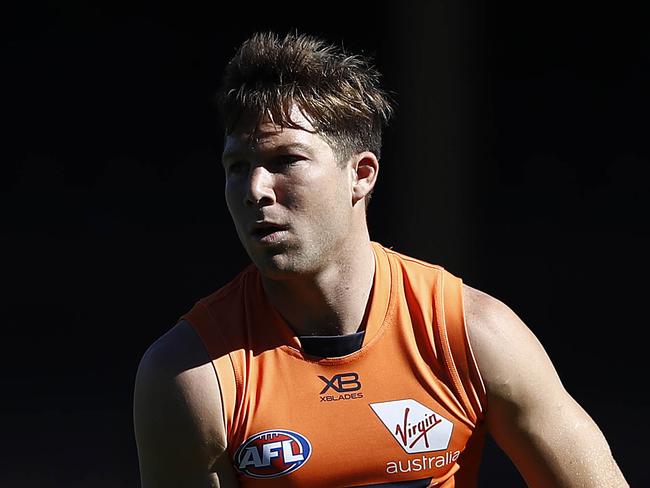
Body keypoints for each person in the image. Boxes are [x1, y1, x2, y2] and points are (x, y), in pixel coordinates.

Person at [133, 31, 628, 487]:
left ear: (362, 174)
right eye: (237, 167)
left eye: (285, 160)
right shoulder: (191, 374)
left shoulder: (472, 335)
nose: (255, 190)